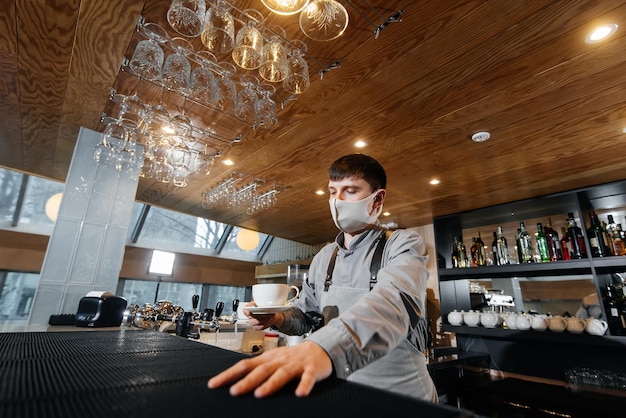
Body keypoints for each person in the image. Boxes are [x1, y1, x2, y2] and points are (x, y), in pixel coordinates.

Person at [208, 154, 437, 401]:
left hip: (403, 399)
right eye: (332, 192)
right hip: (342, 395)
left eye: (349, 191)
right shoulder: (325, 257)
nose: (337, 202)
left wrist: (326, 348)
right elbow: (307, 316)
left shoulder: (403, 243)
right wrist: (277, 318)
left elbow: (395, 304)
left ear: (377, 199)